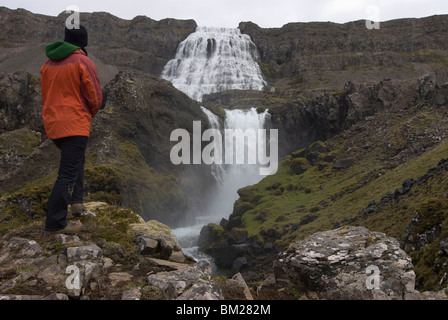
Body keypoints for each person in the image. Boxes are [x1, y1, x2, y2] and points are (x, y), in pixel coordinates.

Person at [40, 25, 103, 234]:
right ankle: (55, 223)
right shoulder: (83, 61)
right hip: (74, 122)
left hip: (53, 123)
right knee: (66, 173)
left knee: (76, 161)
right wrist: (87, 113)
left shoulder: (47, 64)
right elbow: (94, 96)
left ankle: (76, 203)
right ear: (83, 43)